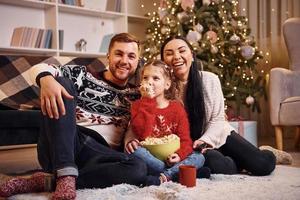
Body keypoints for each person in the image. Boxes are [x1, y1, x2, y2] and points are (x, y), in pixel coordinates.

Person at [0, 33, 147, 200]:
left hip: (100, 156)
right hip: (66, 142)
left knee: (138, 168)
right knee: (62, 82)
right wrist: (46, 80)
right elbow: (38, 68)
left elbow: (141, 124)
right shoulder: (83, 76)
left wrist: (131, 137)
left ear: (137, 61)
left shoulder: (137, 95)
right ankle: (65, 170)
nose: (124, 61)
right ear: (108, 56)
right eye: (119, 54)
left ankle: (50, 180)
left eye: (131, 56)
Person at [159, 35, 276, 176]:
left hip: (218, 135)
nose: (176, 57)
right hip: (192, 148)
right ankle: (238, 161)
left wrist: (204, 140)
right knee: (219, 165)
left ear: (192, 55)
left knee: (263, 165)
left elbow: (218, 120)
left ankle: (265, 151)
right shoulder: (161, 88)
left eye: (182, 51)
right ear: (163, 61)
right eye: (169, 53)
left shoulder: (210, 80)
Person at [125, 60, 204, 185]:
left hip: (172, 157)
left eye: (156, 78)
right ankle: (179, 173)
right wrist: (147, 101)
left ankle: (165, 175)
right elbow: (142, 134)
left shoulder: (177, 108)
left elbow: (186, 140)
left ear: (167, 84)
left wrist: (179, 155)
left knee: (199, 157)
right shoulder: (137, 106)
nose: (149, 82)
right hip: (150, 157)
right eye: (145, 78)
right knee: (134, 151)